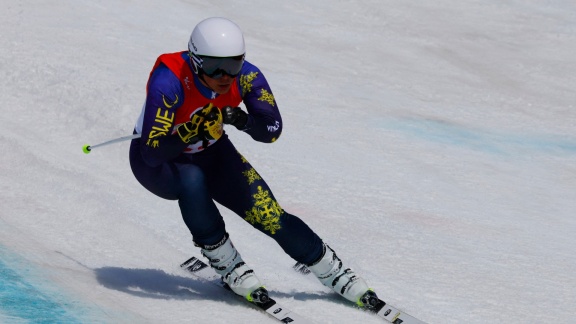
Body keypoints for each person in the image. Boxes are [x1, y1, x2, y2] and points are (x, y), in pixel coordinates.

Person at [129, 17, 379, 307]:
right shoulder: (168, 81)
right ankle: (226, 262)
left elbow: (272, 130)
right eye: (214, 67)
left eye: (233, 65)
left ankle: (331, 269)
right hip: (159, 163)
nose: (225, 76)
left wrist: (242, 119)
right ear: (195, 61)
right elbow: (152, 152)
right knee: (192, 180)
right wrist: (186, 133)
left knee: (269, 214)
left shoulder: (247, 77)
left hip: (212, 151)